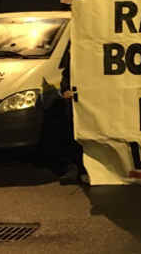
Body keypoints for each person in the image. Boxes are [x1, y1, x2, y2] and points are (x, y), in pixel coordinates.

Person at [56, 43, 86, 184]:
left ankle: (85, 169)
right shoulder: (76, 46)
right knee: (72, 133)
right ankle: (75, 168)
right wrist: (65, 89)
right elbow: (66, 74)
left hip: (94, 97)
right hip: (76, 98)